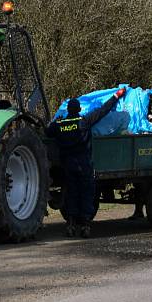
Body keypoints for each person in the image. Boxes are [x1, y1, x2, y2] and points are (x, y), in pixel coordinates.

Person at [47, 87, 127, 237]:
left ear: (68, 110)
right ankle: (85, 226)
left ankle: (70, 225)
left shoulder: (60, 125)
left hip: (68, 165)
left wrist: (56, 122)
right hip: (84, 164)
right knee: (86, 194)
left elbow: (47, 132)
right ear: (78, 109)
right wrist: (117, 95)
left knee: (71, 194)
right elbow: (103, 110)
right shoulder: (83, 122)